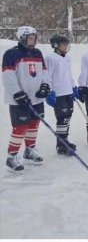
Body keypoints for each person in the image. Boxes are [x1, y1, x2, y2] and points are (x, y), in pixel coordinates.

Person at [2, 26, 50, 172]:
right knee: (20, 127)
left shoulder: (37, 53)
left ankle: (29, 151)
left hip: (36, 99)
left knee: (34, 124)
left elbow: (43, 72)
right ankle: (12, 157)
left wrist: (45, 86)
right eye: (30, 38)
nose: (33, 40)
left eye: (34, 38)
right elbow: (8, 75)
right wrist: (17, 93)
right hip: (20, 99)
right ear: (22, 38)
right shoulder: (11, 54)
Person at [44, 34, 79, 156]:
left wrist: (74, 86)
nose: (66, 46)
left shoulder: (67, 58)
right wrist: (49, 91)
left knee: (68, 117)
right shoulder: (50, 58)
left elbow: (69, 74)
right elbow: (47, 75)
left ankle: (65, 140)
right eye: (63, 44)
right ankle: (61, 145)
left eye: (66, 44)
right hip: (58, 93)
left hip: (68, 92)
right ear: (56, 45)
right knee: (62, 118)